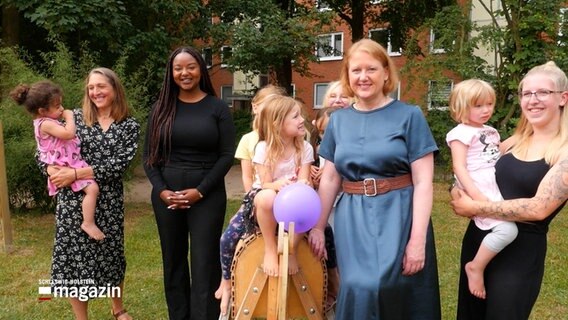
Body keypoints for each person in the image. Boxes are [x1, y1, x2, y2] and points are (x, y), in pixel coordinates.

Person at [309, 38, 441, 319]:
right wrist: (319, 227)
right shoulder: (340, 121)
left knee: (393, 287)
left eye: (371, 69)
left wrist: (417, 241)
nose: (363, 77)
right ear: (347, 76)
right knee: (359, 286)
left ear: (385, 73)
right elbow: (331, 177)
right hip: (353, 217)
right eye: (355, 70)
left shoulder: (409, 116)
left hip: (399, 213)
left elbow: (423, 182)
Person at [450, 61, 568, 319]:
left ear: (563, 98)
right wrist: (457, 189)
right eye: (526, 93)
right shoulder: (516, 141)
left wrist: (475, 206)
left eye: (543, 93)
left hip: (520, 253)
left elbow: (538, 208)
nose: (533, 100)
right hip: (480, 240)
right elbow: (473, 166)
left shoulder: (564, 150)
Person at [34, 68, 139, 320]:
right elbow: (43, 149)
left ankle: (118, 309)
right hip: (73, 201)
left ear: (115, 89)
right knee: (74, 261)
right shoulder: (74, 119)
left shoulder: (129, 125)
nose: (95, 92)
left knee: (111, 255)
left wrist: (76, 174)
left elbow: (119, 165)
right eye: (91, 87)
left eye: (101, 86)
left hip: (109, 199)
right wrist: (50, 169)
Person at [143, 46, 236, 320]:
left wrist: (200, 191)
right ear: (171, 73)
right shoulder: (160, 109)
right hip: (166, 197)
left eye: (191, 67)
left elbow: (226, 156)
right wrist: (161, 191)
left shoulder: (217, 108)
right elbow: (149, 157)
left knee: (204, 262)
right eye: (178, 68)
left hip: (206, 196)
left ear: (201, 69)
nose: (185, 73)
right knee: (173, 262)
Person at [216, 95, 314, 317]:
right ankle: (261, 255)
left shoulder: (305, 148)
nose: (302, 120)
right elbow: (265, 182)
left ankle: (293, 251)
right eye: (296, 116)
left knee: (323, 230)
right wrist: (279, 185)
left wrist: (302, 184)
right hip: (263, 201)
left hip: (293, 202)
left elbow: (305, 180)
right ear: (278, 124)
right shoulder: (263, 148)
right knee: (228, 238)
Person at [445, 79, 518, 299]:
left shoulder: (490, 131)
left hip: (492, 183)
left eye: (489, 104)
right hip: (478, 185)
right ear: (461, 107)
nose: (486, 110)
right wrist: (476, 197)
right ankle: (476, 266)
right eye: (478, 105)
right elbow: (459, 166)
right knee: (508, 230)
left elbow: (496, 154)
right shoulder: (460, 133)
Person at [10, 81, 104, 241]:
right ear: (42, 111)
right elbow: (68, 134)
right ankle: (88, 222)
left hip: (66, 163)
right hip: (64, 165)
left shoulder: (47, 121)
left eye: (61, 104)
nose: (61, 108)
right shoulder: (45, 124)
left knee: (90, 190)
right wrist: (69, 117)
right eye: (57, 106)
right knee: (93, 189)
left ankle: (86, 222)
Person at [235, 84, 287, 192]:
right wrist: (250, 198)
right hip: (261, 196)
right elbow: (247, 176)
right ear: (255, 107)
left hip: (287, 192)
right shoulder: (247, 140)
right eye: (268, 106)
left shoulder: (288, 136)